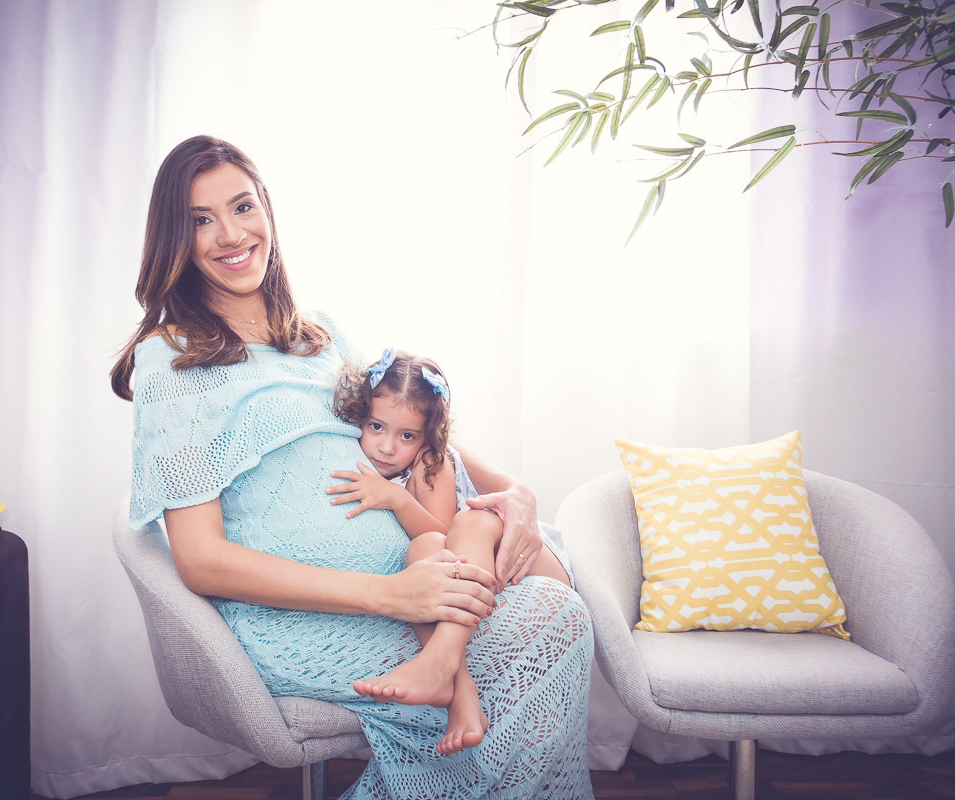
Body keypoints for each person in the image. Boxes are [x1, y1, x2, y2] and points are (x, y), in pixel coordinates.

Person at [111, 135, 595, 799]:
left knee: (550, 592)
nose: (230, 234)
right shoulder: (176, 362)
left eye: (243, 206)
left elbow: (418, 432)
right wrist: (390, 595)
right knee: (553, 620)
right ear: (176, 237)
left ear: (268, 212)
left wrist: (518, 494)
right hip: (307, 617)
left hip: (409, 580)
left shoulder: (320, 334)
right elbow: (201, 560)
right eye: (200, 219)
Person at [327, 349, 574, 755]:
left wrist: (397, 499)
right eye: (376, 426)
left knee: (466, 524)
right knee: (422, 556)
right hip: (479, 570)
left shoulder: (432, 462)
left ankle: (442, 664)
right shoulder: (365, 453)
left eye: (406, 435)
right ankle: (461, 692)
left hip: (532, 563)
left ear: (426, 436)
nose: (387, 447)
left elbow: (445, 534)